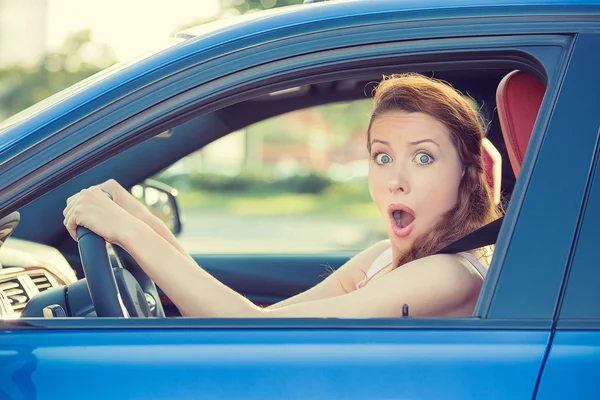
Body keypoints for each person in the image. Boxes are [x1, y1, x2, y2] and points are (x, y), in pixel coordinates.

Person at [63, 73, 502, 318]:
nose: (395, 180)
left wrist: (126, 230)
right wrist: (138, 220)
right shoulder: (381, 258)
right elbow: (255, 313)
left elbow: (252, 332)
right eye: (381, 157)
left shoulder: (449, 275)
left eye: (423, 158)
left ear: (467, 174)